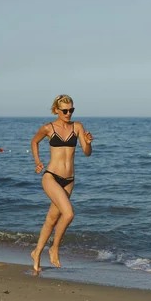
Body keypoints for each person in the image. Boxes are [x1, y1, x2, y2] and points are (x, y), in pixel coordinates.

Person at [30, 94, 93, 272]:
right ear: (56, 110)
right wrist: (37, 161)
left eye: (71, 110)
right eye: (65, 110)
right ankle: (55, 248)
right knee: (69, 214)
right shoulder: (48, 128)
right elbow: (34, 141)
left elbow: (87, 153)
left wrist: (88, 143)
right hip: (51, 176)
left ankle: (36, 253)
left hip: (69, 180)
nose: (68, 113)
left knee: (51, 219)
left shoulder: (78, 127)